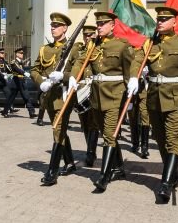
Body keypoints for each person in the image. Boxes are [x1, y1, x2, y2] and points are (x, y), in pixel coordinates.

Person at [130, 6, 178, 203]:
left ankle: (166, 183)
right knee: (161, 141)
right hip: (154, 98)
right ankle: (173, 174)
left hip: (177, 99)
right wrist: (133, 78)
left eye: (165, 19)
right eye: (159, 19)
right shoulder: (149, 43)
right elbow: (137, 61)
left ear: (174, 22)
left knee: (172, 140)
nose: (160, 22)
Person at [71, 11, 134, 193]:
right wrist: (73, 77)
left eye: (103, 24)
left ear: (112, 25)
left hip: (115, 94)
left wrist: (131, 93)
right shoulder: (93, 44)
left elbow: (130, 69)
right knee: (106, 133)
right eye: (98, 24)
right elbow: (80, 61)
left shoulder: (122, 45)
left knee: (109, 134)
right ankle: (119, 167)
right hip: (96, 95)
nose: (99, 27)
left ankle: (104, 176)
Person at [31, 12, 76, 186]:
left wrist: (63, 76)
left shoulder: (74, 48)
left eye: (56, 26)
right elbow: (34, 69)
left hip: (63, 96)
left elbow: (78, 71)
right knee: (60, 128)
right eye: (52, 25)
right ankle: (70, 162)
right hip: (48, 96)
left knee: (57, 129)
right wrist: (40, 82)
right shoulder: (45, 49)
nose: (53, 28)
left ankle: (52, 171)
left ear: (64, 28)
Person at [70, 25, 101, 167]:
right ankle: (90, 149)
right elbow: (70, 68)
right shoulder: (78, 51)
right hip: (81, 89)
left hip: (94, 89)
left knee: (94, 122)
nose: (87, 38)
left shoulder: (99, 49)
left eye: (90, 35)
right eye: (85, 35)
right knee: (85, 123)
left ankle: (90, 153)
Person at [2, 47, 35, 119]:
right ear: (17, 54)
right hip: (15, 80)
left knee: (26, 96)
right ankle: (5, 111)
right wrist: (24, 73)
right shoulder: (14, 62)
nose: (22, 54)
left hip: (21, 81)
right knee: (11, 97)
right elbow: (17, 69)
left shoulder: (22, 62)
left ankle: (31, 112)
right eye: (21, 53)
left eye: (23, 53)